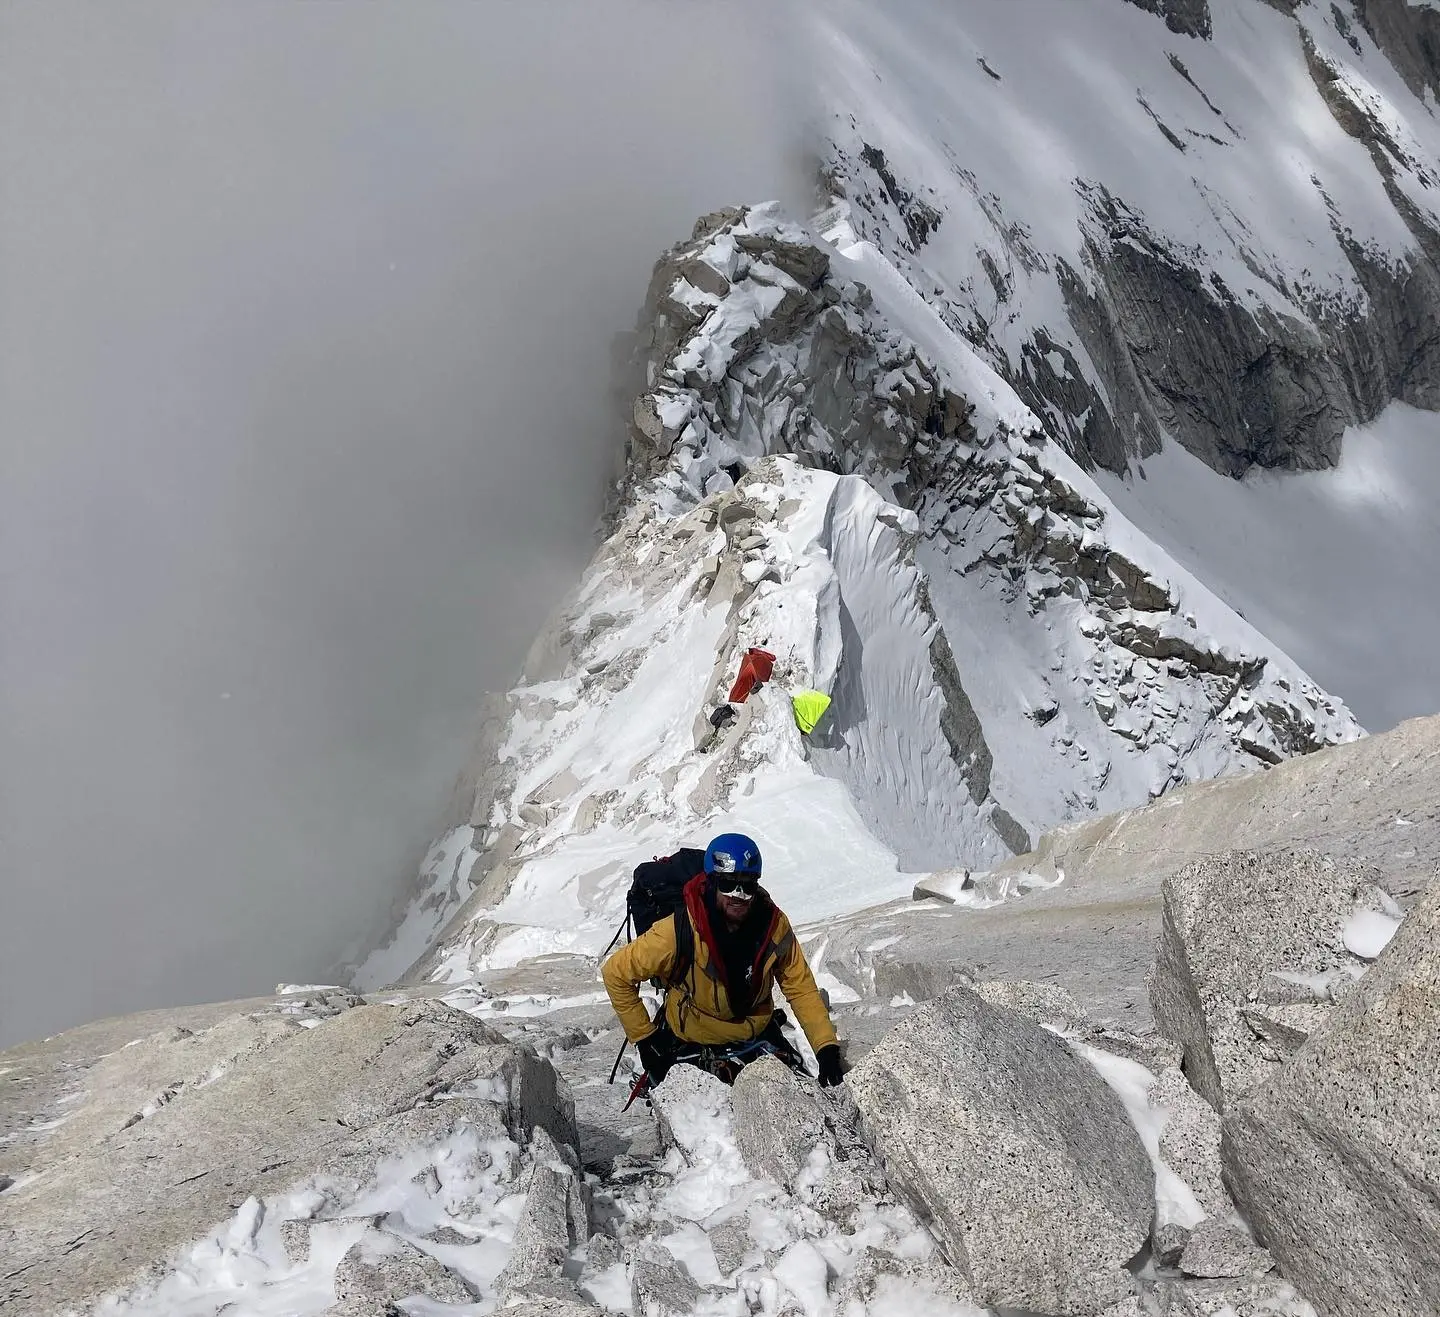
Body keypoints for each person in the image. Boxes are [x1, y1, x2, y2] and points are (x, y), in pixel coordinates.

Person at [601, 832, 848, 1088]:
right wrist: (645, 1039)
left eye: (747, 885)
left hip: (757, 1032)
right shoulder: (679, 930)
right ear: (711, 882)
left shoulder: (773, 926)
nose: (738, 895)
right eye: (728, 884)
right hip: (695, 1039)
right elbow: (616, 973)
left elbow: (800, 987)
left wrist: (825, 1046)